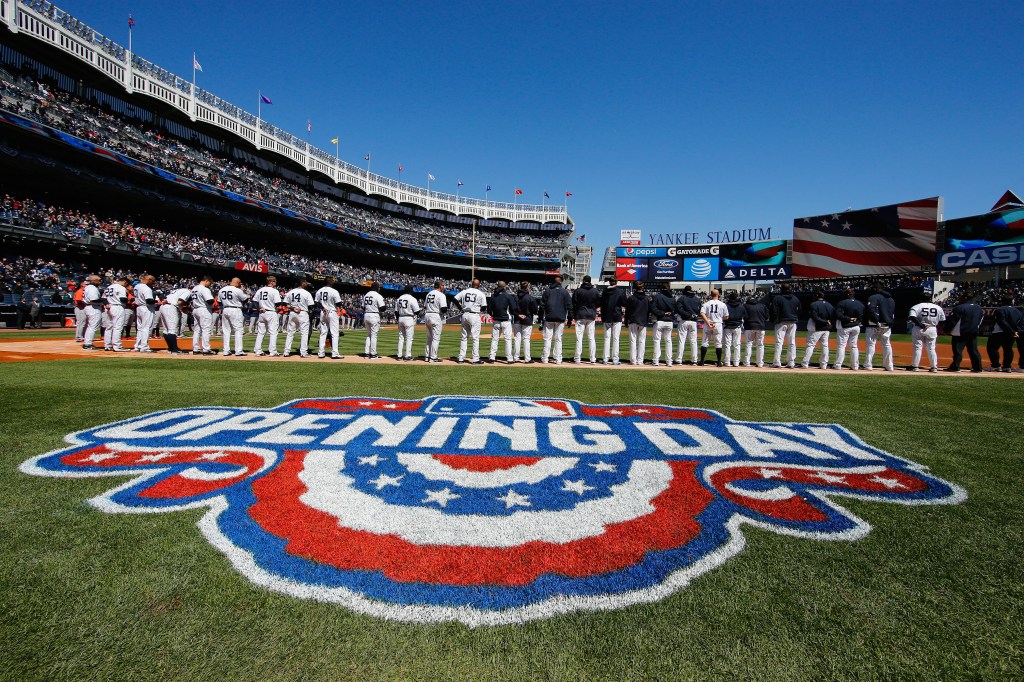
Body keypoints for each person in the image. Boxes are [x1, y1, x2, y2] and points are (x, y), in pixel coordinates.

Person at [907, 293, 946, 372]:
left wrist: (921, 325)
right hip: (932, 328)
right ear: (930, 299)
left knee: (918, 348)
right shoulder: (938, 307)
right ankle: (934, 367)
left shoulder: (917, 306)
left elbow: (912, 316)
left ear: (920, 299)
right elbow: (942, 321)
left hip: (919, 328)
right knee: (931, 348)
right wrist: (934, 325)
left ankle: (915, 366)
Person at [943, 299, 983, 372]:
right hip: (973, 332)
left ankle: (955, 366)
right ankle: (978, 367)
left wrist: (947, 330)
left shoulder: (960, 307)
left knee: (958, 351)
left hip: (960, 332)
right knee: (974, 351)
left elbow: (953, 320)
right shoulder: (979, 308)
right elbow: (980, 320)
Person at [539, 275, 572, 364]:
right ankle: (558, 359)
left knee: (547, 339)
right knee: (558, 339)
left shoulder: (547, 291)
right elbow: (570, 306)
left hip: (549, 317)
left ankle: (545, 358)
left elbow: (542, 306)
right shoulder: (565, 292)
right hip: (560, 318)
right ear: (561, 282)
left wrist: (540, 319)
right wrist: (569, 319)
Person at [865, 282, 896, 371]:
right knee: (887, 344)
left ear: (876, 289)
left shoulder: (873, 297)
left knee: (871, 344)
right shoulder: (891, 299)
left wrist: (876, 320)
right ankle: (889, 365)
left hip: (874, 324)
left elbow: (871, 309)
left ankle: (868, 365)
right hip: (887, 325)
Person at [454, 278, 487, 364]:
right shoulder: (480, 293)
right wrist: (478, 308)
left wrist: (460, 307)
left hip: (465, 314)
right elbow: (484, 307)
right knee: (475, 338)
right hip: (474, 315)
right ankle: (475, 359)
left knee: (464, 337)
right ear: (479, 285)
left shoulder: (465, 291)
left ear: (471, 284)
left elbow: (455, 299)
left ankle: (461, 358)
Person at [987, 295, 1021, 373]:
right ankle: (1007, 366)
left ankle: (996, 366)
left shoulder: (999, 310)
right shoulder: (1017, 311)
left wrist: (1010, 331)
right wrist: (1013, 331)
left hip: (999, 332)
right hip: (1011, 333)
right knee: (1008, 349)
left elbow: (1001, 321)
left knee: (992, 348)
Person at [770, 284, 801, 368]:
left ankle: (777, 362)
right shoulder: (795, 298)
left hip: (781, 322)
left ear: (781, 289)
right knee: (791, 342)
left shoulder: (777, 298)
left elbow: (773, 311)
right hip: (793, 322)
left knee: (779, 342)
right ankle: (791, 362)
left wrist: (775, 320)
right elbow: (799, 310)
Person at [800, 290, 834, 369]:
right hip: (826, 328)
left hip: (816, 328)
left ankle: (805, 363)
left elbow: (814, 317)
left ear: (817, 295)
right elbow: (833, 315)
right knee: (825, 346)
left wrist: (823, 321)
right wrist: (827, 322)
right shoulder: (829, 305)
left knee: (811, 345)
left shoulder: (814, 304)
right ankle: (824, 364)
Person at [833, 288, 864, 370]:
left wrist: (848, 319)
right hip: (856, 326)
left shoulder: (842, 303)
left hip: (845, 326)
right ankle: (855, 366)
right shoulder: (860, 303)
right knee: (854, 346)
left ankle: (838, 365)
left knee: (841, 346)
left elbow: (838, 315)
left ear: (847, 294)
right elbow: (862, 315)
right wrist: (857, 320)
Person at [488, 281, 519, 363]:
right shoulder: (508, 296)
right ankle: (509, 358)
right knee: (508, 339)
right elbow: (514, 308)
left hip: (496, 320)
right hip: (506, 320)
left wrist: (493, 315)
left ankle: (492, 357)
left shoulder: (493, 296)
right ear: (504, 287)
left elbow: (489, 309)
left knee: (494, 339)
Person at [218, 277, 249, 357]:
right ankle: (238, 351)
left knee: (226, 331)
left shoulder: (222, 289)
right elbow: (245, 299)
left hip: (225, 309)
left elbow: (219, 302)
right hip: (235, 309)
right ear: (238, 283)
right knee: (238, 330)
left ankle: (226, 350)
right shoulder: (237, 290)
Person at [572, 275, 600, 364]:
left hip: (580, 314)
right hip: (591, 315)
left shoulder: (578, 291)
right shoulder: (595, 291)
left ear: (583, 280)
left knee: (579, 338)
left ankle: (577, 358)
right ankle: (592, 358)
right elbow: (598, 303)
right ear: (590, 281)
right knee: (591, 338)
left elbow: (574, 303)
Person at [315, 276, 345, 359]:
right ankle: (335, 353)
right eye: (332, 280)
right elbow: (338, 303)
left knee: (323, 333)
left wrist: (322, 307)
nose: (333, 282)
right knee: (334, 333)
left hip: (323, 312)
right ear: (329, 282)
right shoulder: (334, 291)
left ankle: (321, 353)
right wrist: (338, 306)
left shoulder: (320, 290)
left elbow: (316, 302)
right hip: (332, 312)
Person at [283, 279, 314, 358]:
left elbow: (285, 303)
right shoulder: (306, 293)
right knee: (304, 333)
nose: (307, 283)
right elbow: (311, 305)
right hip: (303, 312)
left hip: (293, 312)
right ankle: (303, 352)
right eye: (305, 282)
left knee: (290, 332)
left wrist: (293, 308)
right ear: (302, 283)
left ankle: (286, 352)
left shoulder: (291, 292)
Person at [252, 276, 282, 357]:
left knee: (261, 332)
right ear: (271, 282)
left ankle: (258, 350)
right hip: (271, 312)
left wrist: (258, 308)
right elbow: (278, 304)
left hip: (262, 313)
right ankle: (272, 351)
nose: (276, 283)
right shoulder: (274, 291)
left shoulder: (260, 290)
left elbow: (254, 300)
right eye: (275, 281)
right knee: (273, 332)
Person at [159, 283, 191, 354]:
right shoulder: (187, 291)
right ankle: (175, 350)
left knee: (166, 330)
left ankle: (170, 348)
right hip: (171, 307)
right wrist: (186, 305)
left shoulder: (176, 291)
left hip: (163, 307)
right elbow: (180, 301)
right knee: (172, 330)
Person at [600, 278, 627, 365]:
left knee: (607, 338)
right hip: (616, 315)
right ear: (616, 282)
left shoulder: (605, 291)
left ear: (609, 282)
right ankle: (615, 359)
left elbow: (602, 304)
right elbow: (624, 303)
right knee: (616, 338)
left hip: (607, 316)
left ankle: (605, 359)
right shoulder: (620, 291)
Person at [699, 288, 728, 367]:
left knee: (705, 342)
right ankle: (719, 362)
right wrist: (719, 318)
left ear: (711, 295)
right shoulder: (722, 304)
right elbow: (726, 317)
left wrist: (708, 322)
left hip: (708, 323)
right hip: (718, 324)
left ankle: (702, 361)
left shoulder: (706, 303)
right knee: (718, 343)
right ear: (718, 295)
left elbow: (702, 314)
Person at [673, 285, 701, 365]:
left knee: (681, 341)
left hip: (684, 320)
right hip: (693, 322)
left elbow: (678, 309)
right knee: (693, 341)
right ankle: (694, 360)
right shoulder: (697, 299)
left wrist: (688, 315)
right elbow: (700, 310)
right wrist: (694, 315)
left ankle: (679, 360)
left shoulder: (682, 298)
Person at [650, 284, 676, 367]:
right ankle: (669, 361)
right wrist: (670, 313)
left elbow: (653, 309)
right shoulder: (672, 298)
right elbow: (675, 310)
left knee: (657, 340)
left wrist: (662, 313)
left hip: (660, 320)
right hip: (670, 321)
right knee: (668, 341)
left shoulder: (657, 297)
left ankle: (656, 360)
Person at [189, 275, 216, 355]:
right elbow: (210, 301)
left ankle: (196, 348)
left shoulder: (194, 288)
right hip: (204, 309)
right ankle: (206, 349)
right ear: (206, 280)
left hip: (196, 309)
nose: (210, 285)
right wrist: (213, 297)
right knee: (206, 329)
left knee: (197, 330)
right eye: (209, 283)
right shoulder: (204, 289)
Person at [625, 281, 651, 365]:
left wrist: (626, 321)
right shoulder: (647, 298)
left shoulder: (631, 298)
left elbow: (627, 311)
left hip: (633, 320)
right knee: (642, 341)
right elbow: (649, 311)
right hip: (643, 321)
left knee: (633, 340)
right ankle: (640, 360)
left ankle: (633, 360)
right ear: (643, 288)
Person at [103, 275, 131, 352]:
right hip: (117, 307)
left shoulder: (109, 287)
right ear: (125, 282)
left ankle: (107, 345)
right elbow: (123, 299)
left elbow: (104, 299)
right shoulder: (121, 288)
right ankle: (117, 345)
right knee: (118, 327)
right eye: (127, 284)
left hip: (109, 307)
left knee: (109, 327)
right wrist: (129, 300)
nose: (126, 286)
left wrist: (106, 304)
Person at [392, 284, 420, 361]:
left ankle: (399, 355)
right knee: (409, 338)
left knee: (401, 338)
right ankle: (408, 355)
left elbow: (396, 311)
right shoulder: (412, 298)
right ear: (411, 291)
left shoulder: (399, 298)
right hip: (408, 318)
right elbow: (417, 311)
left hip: (401, 317)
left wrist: (398, 319)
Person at [422, 281, 447, 363]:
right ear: (440, 286)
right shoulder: (441, 295)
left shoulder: (429, 293)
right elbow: (444, 309)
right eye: (443, 285)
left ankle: (427, 356)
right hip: (435, 315)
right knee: (436, 338)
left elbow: (425, 306)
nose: (444, 286)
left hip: (427, 315)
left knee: (429, 337)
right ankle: (433, 357)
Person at [742, 293, 770, 368]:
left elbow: (744, 316)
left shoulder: (746, 306)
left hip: (749, 327)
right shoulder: (762, 306)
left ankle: (747, 363)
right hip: (760, 327)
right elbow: (767, 317)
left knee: (748, 344)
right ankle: (760, 363)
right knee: (760, 345)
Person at [514, 281, 538, 363]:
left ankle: (516, 358)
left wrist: (518, 315)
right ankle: (527, 358)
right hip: (527, 319)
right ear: (527, 287)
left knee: (517, 339)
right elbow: (535, 310)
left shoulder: (515, 297)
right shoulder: (530, 298)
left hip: (517, 319)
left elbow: (512, 309)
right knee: (526, 339)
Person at [132, 274, 157, 353]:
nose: (152, 284)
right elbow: (149, 300)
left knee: (140, 329)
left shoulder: (137, 286)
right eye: (152, 282)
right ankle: (144, 346)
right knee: (147, 327)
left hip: (139, 307)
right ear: (149, 280)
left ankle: (137, 346)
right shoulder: (146, 288)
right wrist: (157, 301)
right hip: (146, 308)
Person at [361, 282, 387, 359]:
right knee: (374, 335)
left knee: (369, 334)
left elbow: (363, 307)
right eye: (379, 287)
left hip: (366, 315)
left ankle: (366, 353)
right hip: (374, 315)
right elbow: (383, 308)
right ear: (376, 288)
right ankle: (373, 354)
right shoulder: (377, 295)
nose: (379, 289)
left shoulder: (366, 295)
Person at [81, 274, 104, 350]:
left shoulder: (89, 287)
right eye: (99, 280)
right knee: (92, 326)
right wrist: (104, 300)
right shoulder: (92, 288)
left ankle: (87, 343)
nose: (100, 282)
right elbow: (93, 300)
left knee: (91, 326)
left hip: (90, 307)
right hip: (93, 307)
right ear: (95, 280)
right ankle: (88, 344)